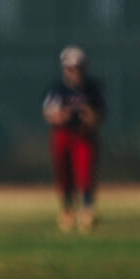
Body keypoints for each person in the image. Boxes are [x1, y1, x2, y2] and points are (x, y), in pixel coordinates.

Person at [42, 45, 105, 232]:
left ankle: (87, 210)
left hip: (83, 135)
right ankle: (67, 211)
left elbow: (99, 113)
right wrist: (63, 115)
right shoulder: (57, 89)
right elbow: (49, 113)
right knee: (64, 173)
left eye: (78, 67)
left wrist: (89, 116)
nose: (75, 72)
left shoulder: (92, 88)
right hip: (63, 134)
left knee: (85, 171)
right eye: (71, 68)